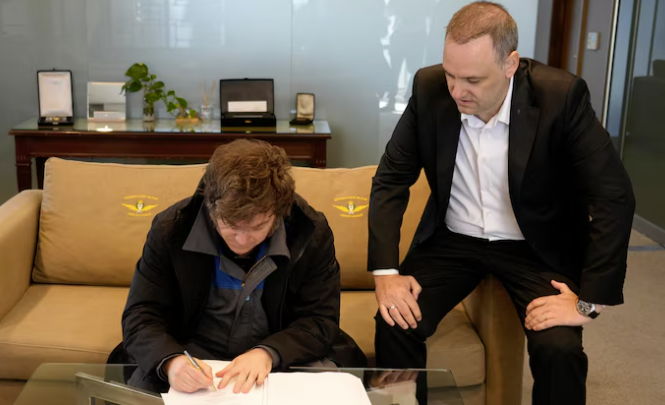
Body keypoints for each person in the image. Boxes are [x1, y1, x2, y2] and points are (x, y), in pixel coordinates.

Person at [369, 2, 635, 405]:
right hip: (453, 240)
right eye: (450, 75)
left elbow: (613, 195)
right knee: (395, 320)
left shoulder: (561, 96)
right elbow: (391, 178)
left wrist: (589, 303)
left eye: (473, 80)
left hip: (534, 248)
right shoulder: (428, 88)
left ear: (510, 64)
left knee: (559, 348)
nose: (457, 91)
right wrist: (386, 272)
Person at [116, 139, 363, 394]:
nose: (242, 241)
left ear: (279, 212)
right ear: (211, 207)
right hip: (193, 353)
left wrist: (268, 353)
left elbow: (320, 320)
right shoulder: (171, 229)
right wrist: (171, 362)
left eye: (257, 227)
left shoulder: (311, 231)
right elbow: (141, 315)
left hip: (282, 355)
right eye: (231, 227)